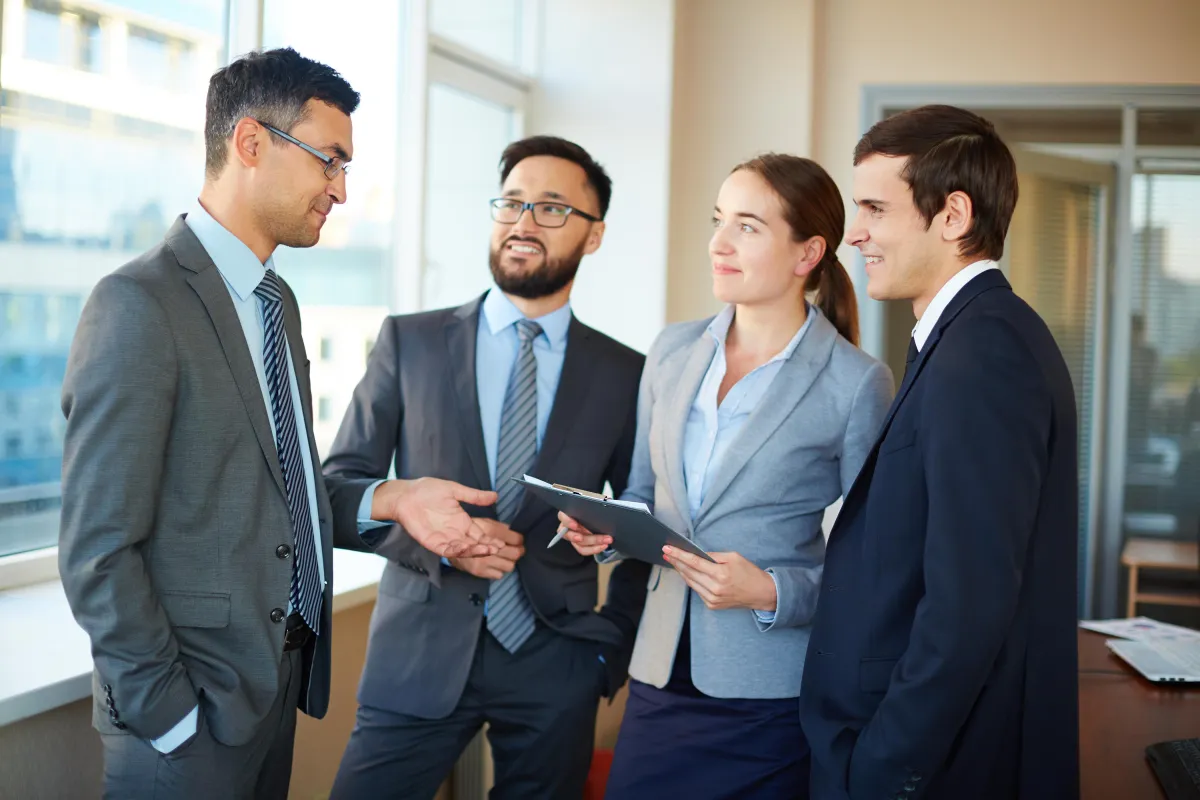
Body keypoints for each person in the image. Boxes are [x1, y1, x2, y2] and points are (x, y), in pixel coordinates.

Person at [58, 48, 500, 800]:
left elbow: (280, 496)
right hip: (185, 725)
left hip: (272, 697)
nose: (342, 190)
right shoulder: (139, 303)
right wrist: (173, 721)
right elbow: (98, 551)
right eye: (331, 161)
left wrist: (392, 499)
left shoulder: (274, 304)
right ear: (252, 144)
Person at [324, 136, 650, 800]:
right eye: (512, 203)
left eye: (552, 208)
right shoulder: (409, 342)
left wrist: (608, 648)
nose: (524, 222)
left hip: (558, 664)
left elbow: (639, 520)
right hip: (416, 652)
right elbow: (336, 492)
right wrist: (433, 540)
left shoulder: (626, 373)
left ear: (594, 237)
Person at [559, 154, 893, 798]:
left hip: (770, 695)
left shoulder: (856, 384)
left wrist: (771, 591)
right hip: (659, 676)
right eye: (718, 221)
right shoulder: (672, 351)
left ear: (807, 253)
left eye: (747, 226)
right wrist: (605, 529)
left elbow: (878, 568)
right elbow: (640, 495)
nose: (718, 243)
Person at [800, 105, 1080, 800]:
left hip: (930, 768)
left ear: (952, 216)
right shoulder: (963, 339)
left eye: (873, 208)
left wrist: (884, 767)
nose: (853, 232)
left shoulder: (985, 352)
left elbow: (968, 604)